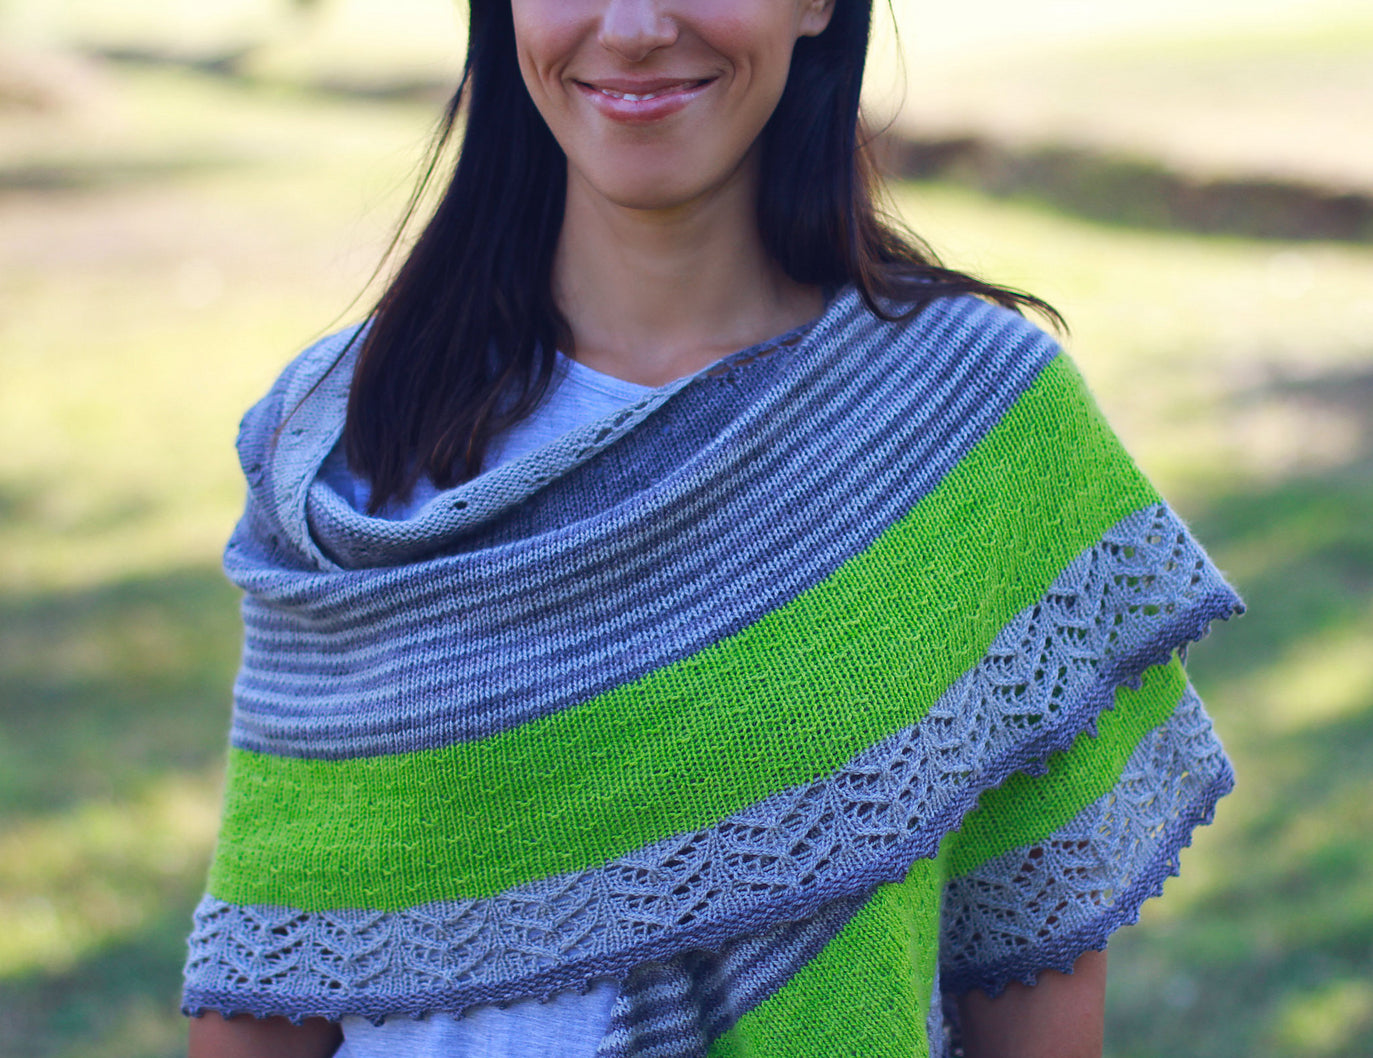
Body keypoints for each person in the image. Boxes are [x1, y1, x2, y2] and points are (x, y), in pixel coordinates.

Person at [183, 1, 1242, 1056]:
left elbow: (1030, 978)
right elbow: (273, 972)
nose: (634, 27)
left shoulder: (970, 426)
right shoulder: (347, 433)